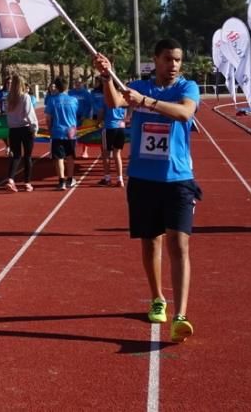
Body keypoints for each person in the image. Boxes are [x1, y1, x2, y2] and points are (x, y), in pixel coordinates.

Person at [94, 39, 201, 344]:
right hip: (143, 178)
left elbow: (184, 114)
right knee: (150, 242)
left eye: (178, 60)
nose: (174, 65)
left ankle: (180, 315)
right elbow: (115, 102)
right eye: (168, 59)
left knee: (179, 244)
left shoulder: (187, 88)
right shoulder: (139, 85)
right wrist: (106, 76)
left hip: (178, 179)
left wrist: (146, 103)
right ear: (155, 59)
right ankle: (157, 298)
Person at [4, 74, 39, 192]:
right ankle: (27, 182)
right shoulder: (25, 97)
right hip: (25, 128)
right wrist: (35, 127)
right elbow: (29, 114)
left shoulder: (8, 98)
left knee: (16, 155)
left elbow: (7, 114)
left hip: (13, 130)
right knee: (28, 156)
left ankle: (10, 179)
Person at [44, 77, 79, 191]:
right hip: (71, 133)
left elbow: (48, 118)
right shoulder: (74, 100)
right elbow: (78, 114)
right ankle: (70, 179)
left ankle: (61, 181)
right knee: (70, 157)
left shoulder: (52, 100)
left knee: (59, 158)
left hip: (57, 132)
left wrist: (49, 130)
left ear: (56, 87)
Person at [96, 76, 128, 187]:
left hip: (109, 127)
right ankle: (120, 179)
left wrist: (97, 122)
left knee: (106, 154)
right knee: (117, 154)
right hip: (121, 128)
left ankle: (107, 178)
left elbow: (101, 113)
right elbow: (125, 114)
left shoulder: (106, 97)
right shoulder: (123, 97)